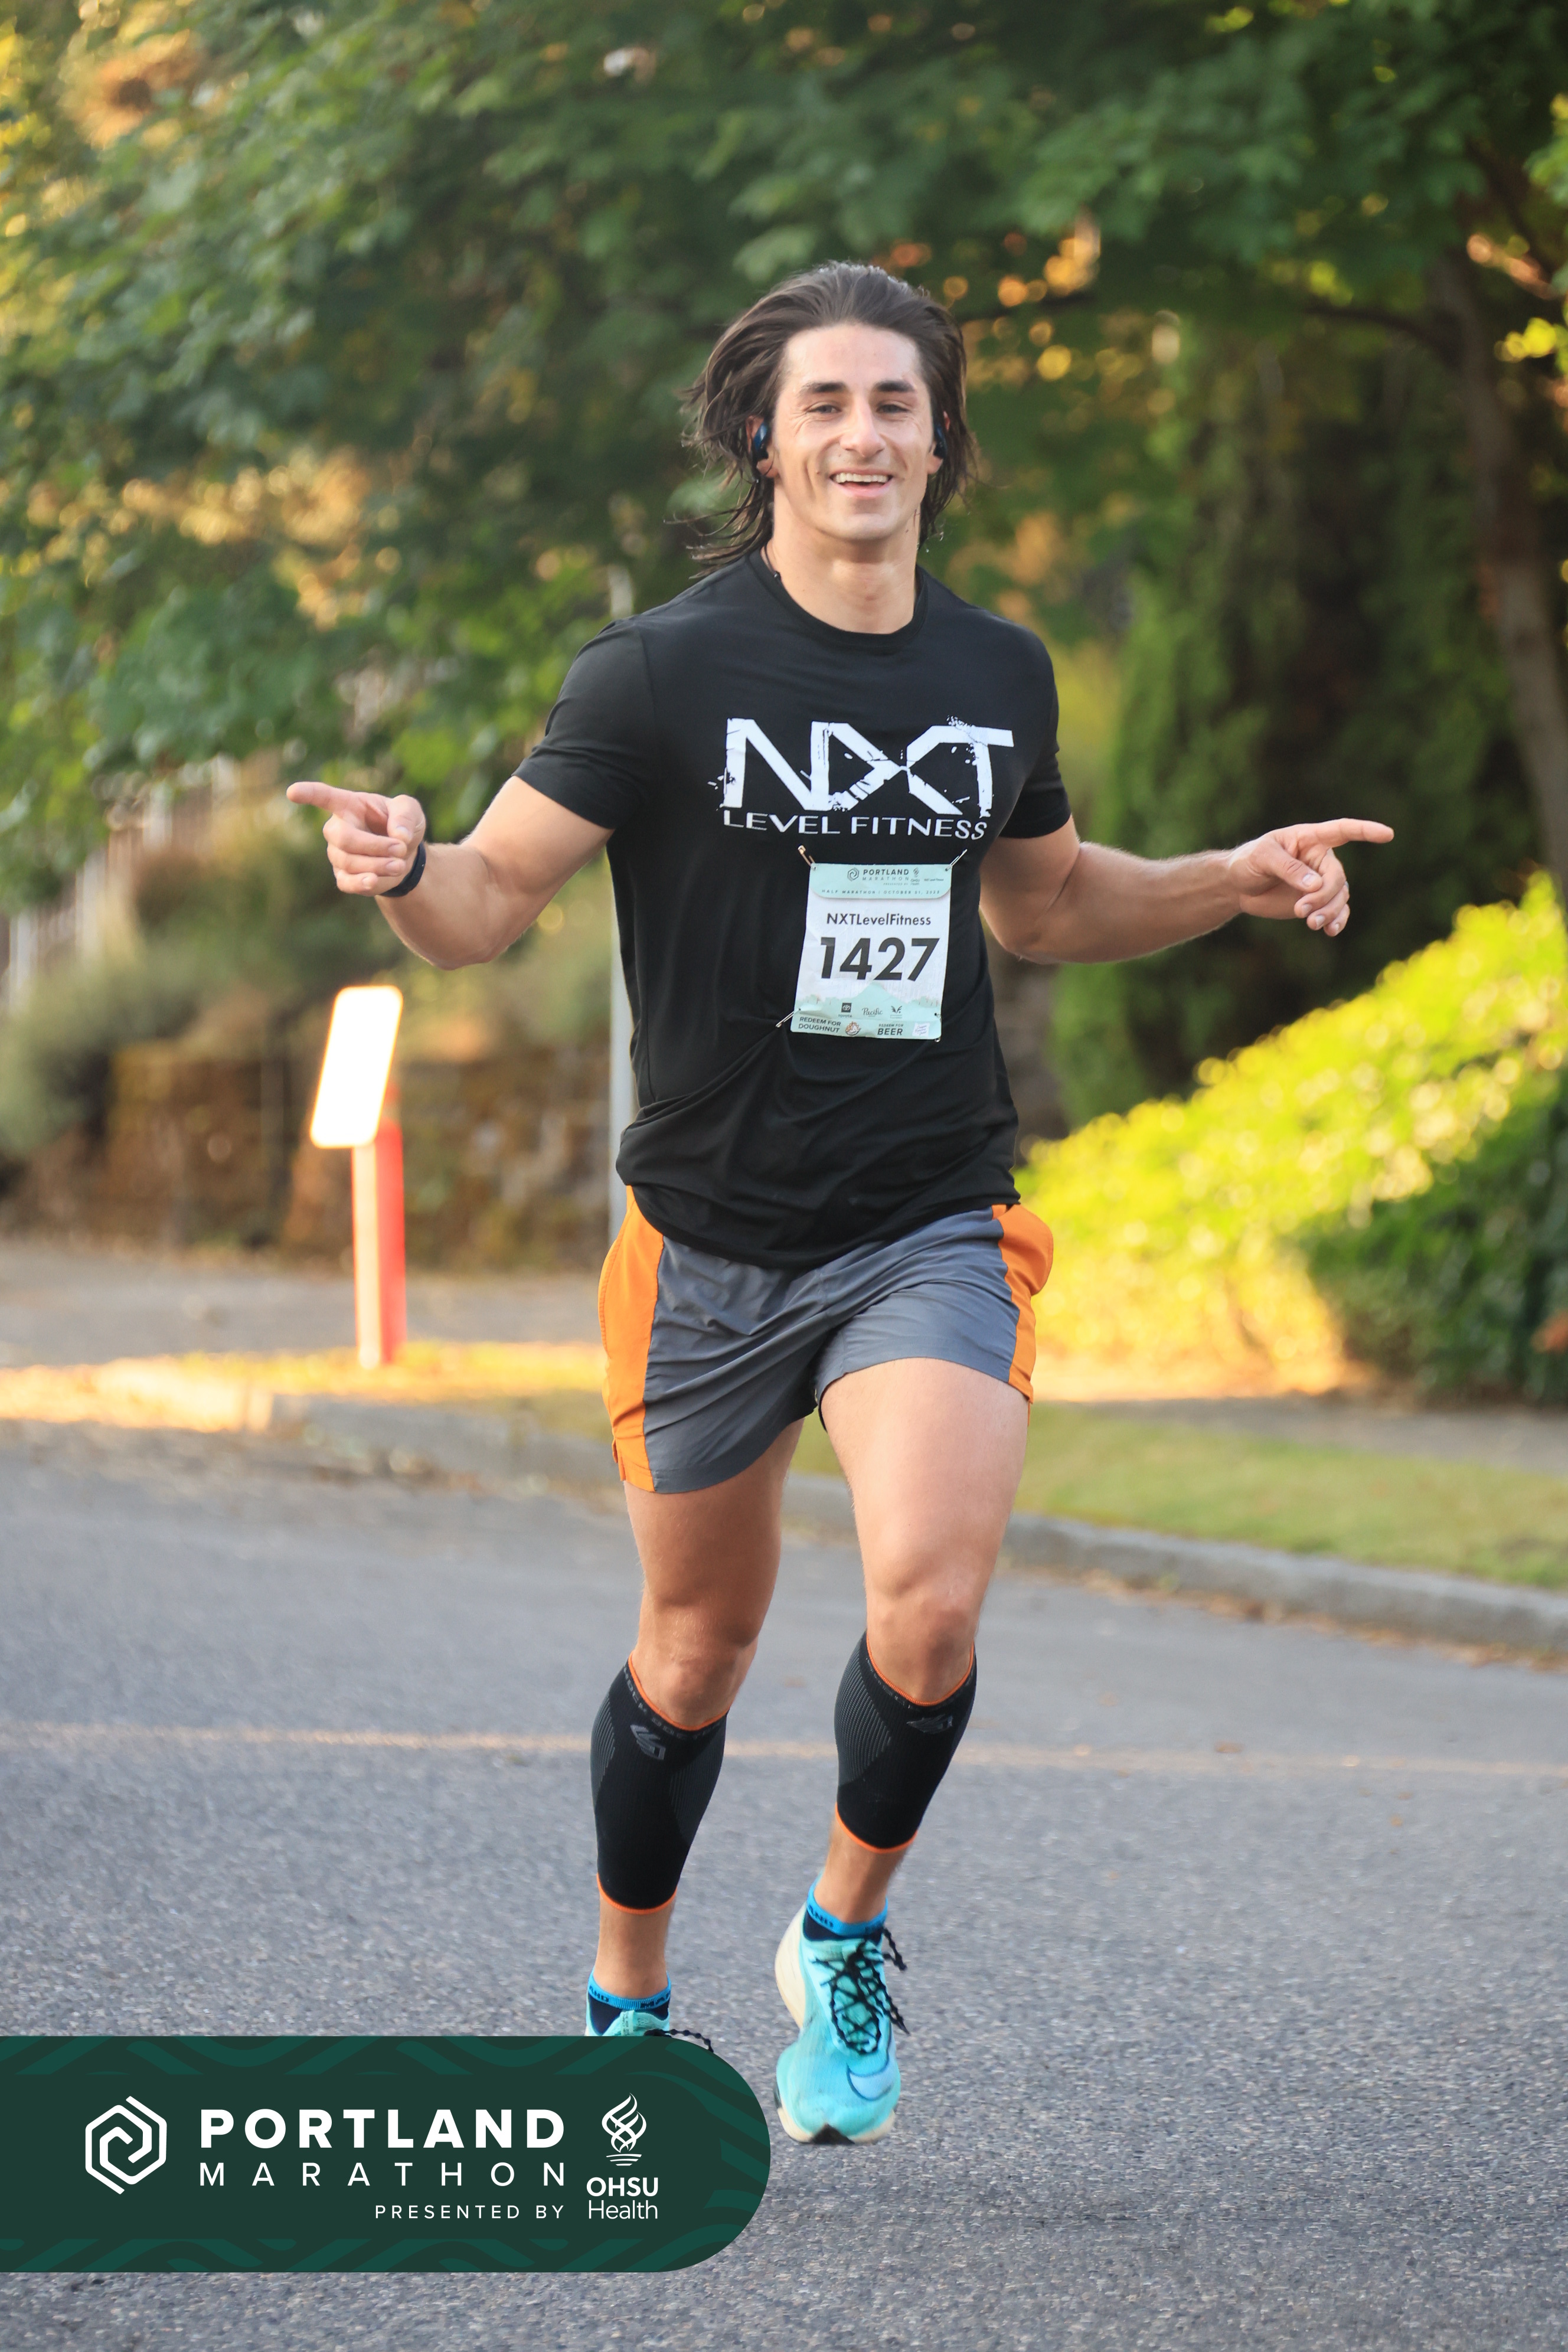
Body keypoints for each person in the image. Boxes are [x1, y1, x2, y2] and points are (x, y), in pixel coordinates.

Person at [289, 262, 1390, 2147]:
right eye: (826, 404)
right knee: (694, 1650)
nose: (865, 435)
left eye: (898, 402)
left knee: (931, 1603)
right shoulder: (658, 674)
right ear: (763, 438)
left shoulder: (995, 674)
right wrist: (406, 866)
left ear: (942, 439)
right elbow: (486, 904)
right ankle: (629, 1996)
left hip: (926, 1216)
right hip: (707, 1243)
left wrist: (1229, 874)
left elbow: (1047, 901)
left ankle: (842, 1934)